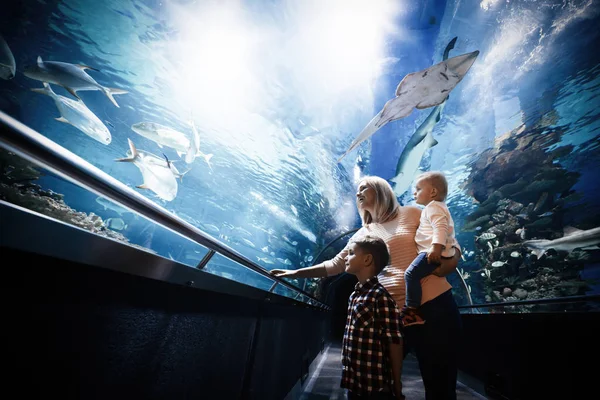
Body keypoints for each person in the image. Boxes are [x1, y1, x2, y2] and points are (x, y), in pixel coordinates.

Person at [271, 175, 462, 400]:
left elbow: (448, 240)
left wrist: (451, 262)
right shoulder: (363, 234)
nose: (358, 193)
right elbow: (335, 265)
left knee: (440, 385)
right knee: (381, 386)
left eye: (364, 188)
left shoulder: (413, 213)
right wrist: (295, 273)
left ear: (381, 190)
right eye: (356, 191)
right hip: (391, 316)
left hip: (434, 308)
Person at [341, 235, 404, 400]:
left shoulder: (380, 296)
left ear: (367, 259)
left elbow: (394, 341)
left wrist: (396, 382)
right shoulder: (354, 295)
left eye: (351, 253)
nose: (346, 257)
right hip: (353, 379)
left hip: (375, 384)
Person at [400, 171, 459, 327]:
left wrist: (435, 248)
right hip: (435, 250)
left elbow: (440, 228)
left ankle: (412, 310)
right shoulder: (436, 208)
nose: (414, 192)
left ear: (432, 192)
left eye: (418, 189)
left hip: (432, 252)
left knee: (411, 274)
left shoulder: (433, 208)